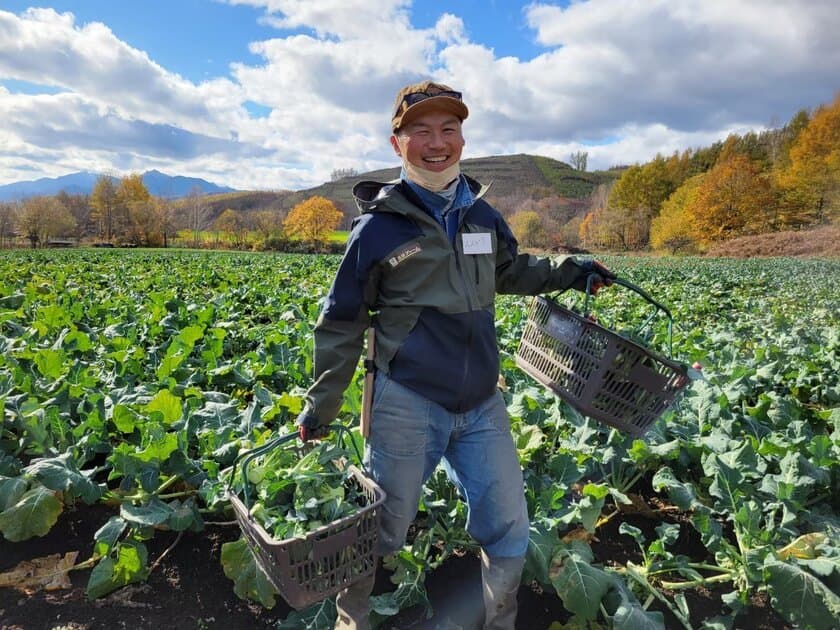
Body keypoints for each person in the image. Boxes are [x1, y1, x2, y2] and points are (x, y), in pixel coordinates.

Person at [296, 80, 615, 630]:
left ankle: (499, 621)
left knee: (508, 525)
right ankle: (354, 622)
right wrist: (321, 404)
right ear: (397, 143)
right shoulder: (377, 229)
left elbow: (512, 271)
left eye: (449, 129)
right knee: (382, 531)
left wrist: (571, 271)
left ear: (462, 139)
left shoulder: (482, 217)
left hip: (481, 402)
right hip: (407, 401)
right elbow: (342, 321)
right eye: (421, 130)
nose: (436, 141)